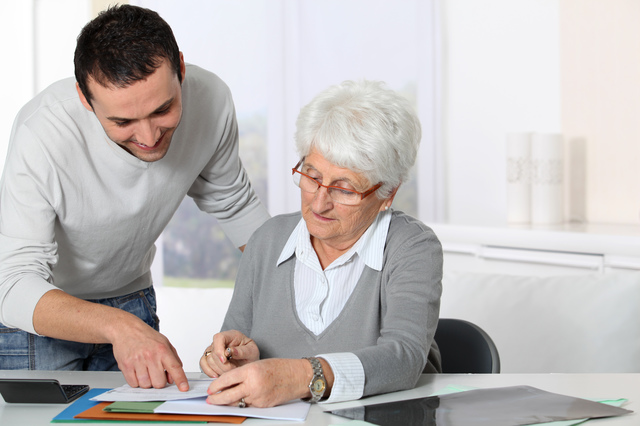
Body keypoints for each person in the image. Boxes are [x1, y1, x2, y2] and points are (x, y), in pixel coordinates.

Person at [0, 5, 269, 392]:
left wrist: (305, 288)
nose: (148, 136)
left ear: (180, 67)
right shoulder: (42, 133)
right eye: (122, 122)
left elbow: (235, 204)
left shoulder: (211, 100)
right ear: (84, 98)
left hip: (131, 297)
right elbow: (12, 285)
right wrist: (119, 327)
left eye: (163, 109)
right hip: (42, 313)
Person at [200, 80, 442, 407]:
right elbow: (232, 346)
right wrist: (228, 359)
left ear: (389, 193)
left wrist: (303, 376)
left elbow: (404, 358)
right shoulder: (267, 240)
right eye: (311, 176)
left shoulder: (412, 247)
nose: (319, 203)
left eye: (344, 188)